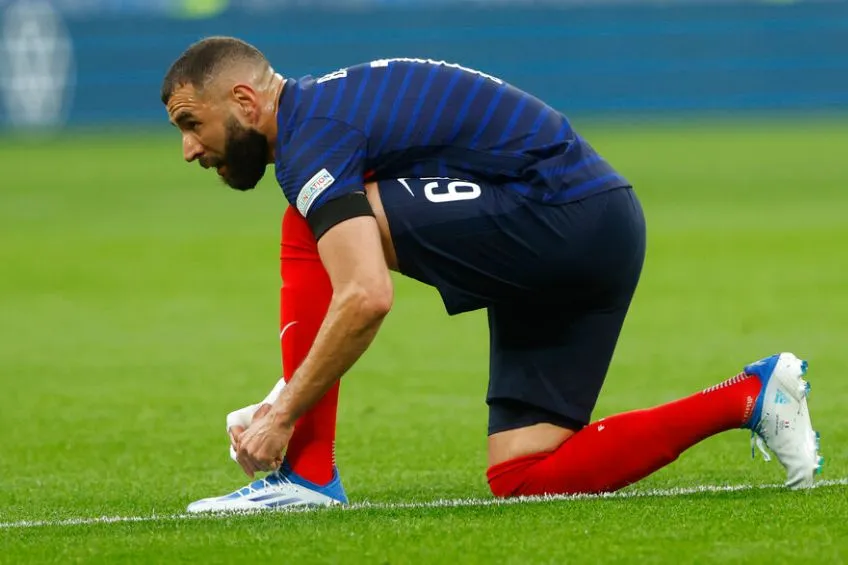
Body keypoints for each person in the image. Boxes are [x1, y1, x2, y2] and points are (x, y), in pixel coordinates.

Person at [159, 37, 822, 512]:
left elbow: (365, 295)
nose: (189, 148)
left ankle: (305, 474)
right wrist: (290, 390)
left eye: (192, 124)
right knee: (524, 475)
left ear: (245, 100)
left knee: (310, 222)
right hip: (598, 227)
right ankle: (752, 396)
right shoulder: (330, 116)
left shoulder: (310, 140)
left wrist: (284, 412)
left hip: (563, 217)